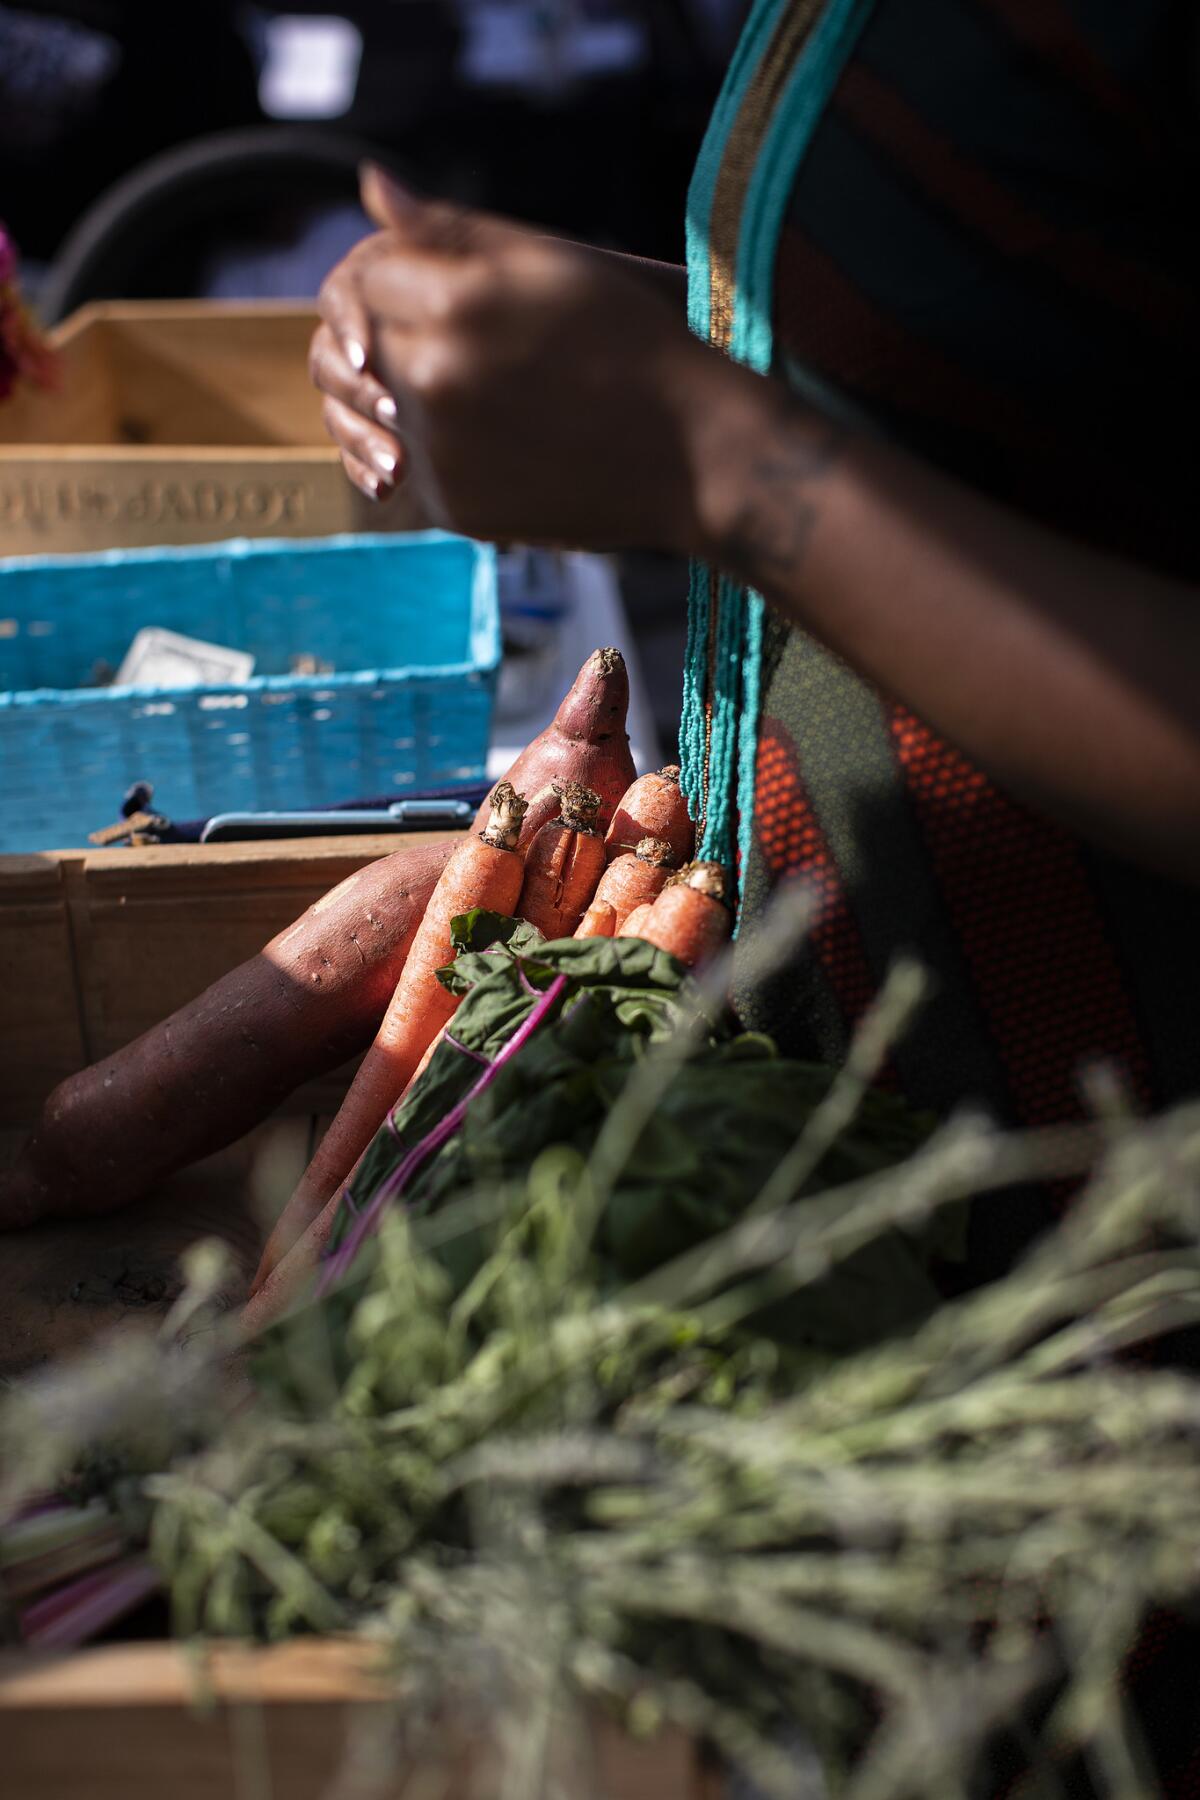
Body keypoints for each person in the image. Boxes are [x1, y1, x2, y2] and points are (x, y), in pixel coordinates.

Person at [310, 0, 1200, 1302]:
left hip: (1119, 1229)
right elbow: (1040, 376)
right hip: (893, 1157)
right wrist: (665, 338)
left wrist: (715, 452)